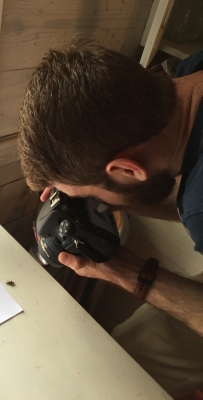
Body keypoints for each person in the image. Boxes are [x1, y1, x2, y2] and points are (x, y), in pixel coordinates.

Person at [18, 39, 203, 397]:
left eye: (88, 194)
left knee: (122, 377)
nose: (89, 202)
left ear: (125, 169)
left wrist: (127, 273)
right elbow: (177, 200)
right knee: (131, 344)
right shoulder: (190, 73)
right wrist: (112, 199)